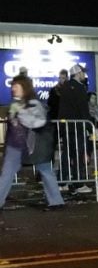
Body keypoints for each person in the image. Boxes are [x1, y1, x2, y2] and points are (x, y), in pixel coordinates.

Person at [0, 75, 65, 214]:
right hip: (15, 145)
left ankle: (56, 201)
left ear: (24, 87)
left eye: (16, 86)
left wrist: (21, 112)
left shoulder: (34, 104)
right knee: (7, 173)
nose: (13, 88)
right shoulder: (15, 103)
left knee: (46, 171)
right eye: (13, 86)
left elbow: (38, 122)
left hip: (34, 144)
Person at [58, 64, 91, 192]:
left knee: (66, 154)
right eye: (83, 72)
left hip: (66, 127)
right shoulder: (80, 88)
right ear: (78, 73)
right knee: (78, 154)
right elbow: (83, 109)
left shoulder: (65, 87)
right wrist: (89, 126)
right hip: (78, 127)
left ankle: (63, 181)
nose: (84, 75)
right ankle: (78, 183)